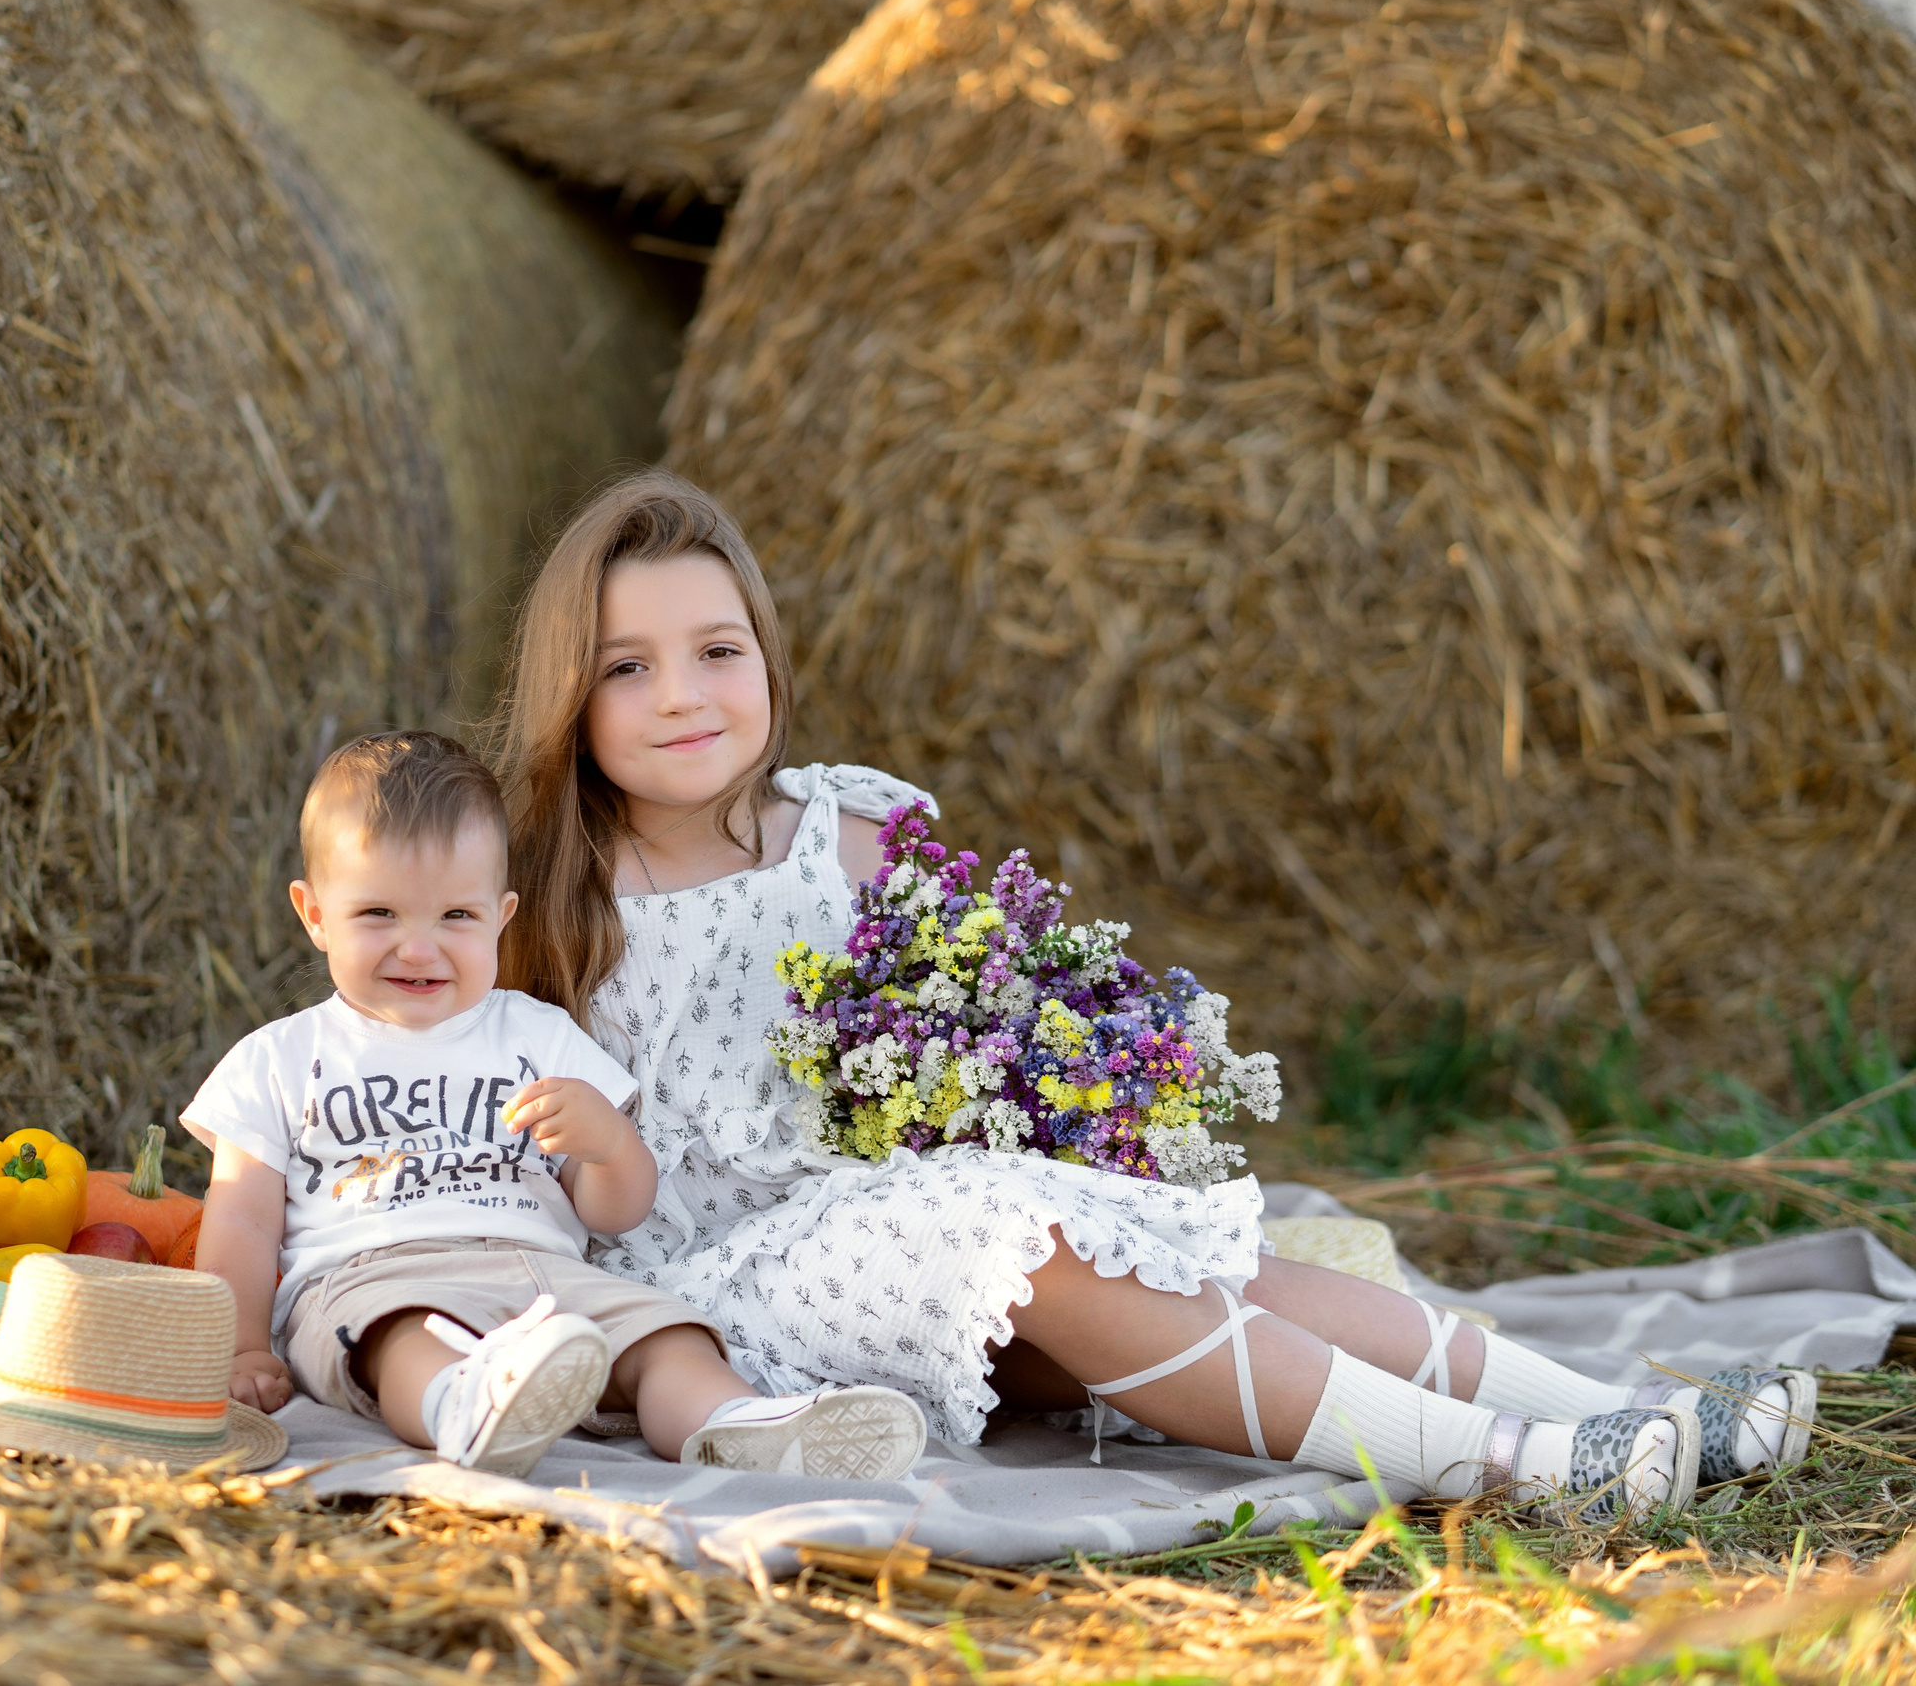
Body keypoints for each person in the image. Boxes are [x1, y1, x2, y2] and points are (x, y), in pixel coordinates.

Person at [486, 469, 1819, 1519]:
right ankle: (1511, 1463)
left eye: (717, 649)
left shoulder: (850, 833)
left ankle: (1615, 1407)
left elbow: (974, 1018)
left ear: (771, 657)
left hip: (920, 1221)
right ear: (570, 696)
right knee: (1033, 1235)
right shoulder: (547, 892)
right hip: (720, 1291)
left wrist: (1056, 1101)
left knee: (1179, 1259)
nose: (682, 696)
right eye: (626, 666)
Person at [184, 730, 929, 1481]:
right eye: (380, 913)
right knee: (403, 1339)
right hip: (376, 1276)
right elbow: (242, 1220)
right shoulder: (278, 1059)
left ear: (502, 915)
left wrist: (609, 1146)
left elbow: (615, 1211)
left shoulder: (537, 1034)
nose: (418, 948)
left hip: (547, 1274)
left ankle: (736, 1424)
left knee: (665, 1335)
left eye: (456, 917)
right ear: (314, 913)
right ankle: (461, 1402)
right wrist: (241, 1347)